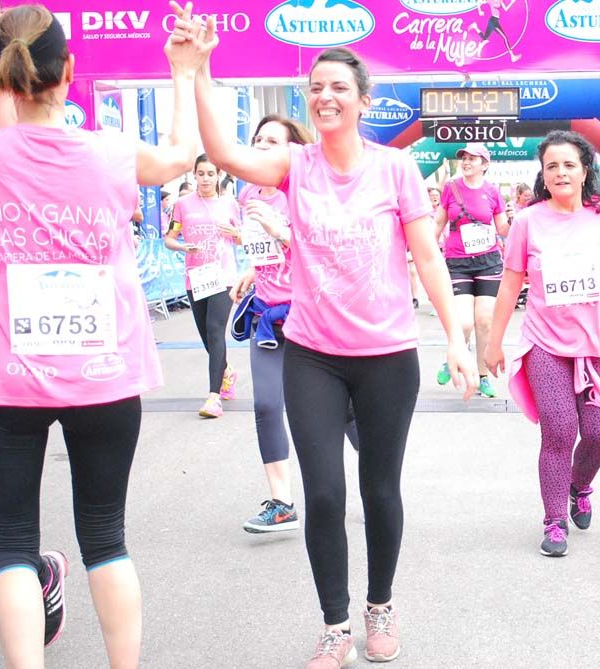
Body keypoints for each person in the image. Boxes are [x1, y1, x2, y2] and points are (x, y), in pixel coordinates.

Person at [193, 30, 477, 666]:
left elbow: (428, 256)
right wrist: (202, 66)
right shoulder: (296, 167)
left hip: (387, 357)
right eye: (316, 88)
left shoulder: (395, 168)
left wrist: (456, 339)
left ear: (363, 99)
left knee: (379, 489)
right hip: (312, 354)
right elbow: (222, 152)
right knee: (323, 493)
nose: (325, 97)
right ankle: (334, 625)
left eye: (338, 88)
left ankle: (380, 603)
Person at [0, 2, 205, 666]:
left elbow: (11, 134)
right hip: (105, 378)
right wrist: (180, 71)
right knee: (106, 537)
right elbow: (181, 155)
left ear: (1, 78)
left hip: (8, 380)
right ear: (70, 71)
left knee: (10, 542)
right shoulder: (112, 153)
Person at [485, 130, 600, 558]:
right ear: (543, 174)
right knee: (559, 430)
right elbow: (509, 285)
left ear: (585, 171)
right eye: (551, 166)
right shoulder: (528, 220)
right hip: (545, 343)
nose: (560, 172)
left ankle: (579, 486)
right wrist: (494, 342)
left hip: (597, 343)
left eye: (569, 165)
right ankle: (554, 520)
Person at [228, 113, 332, 534]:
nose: (262, 146)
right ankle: (282, 502)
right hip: (268, 317)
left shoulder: (307, 191)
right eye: (258, 139)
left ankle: (373, 478)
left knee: (340, 414)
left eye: (272, 141)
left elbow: (325, 251)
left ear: (293, 150)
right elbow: (266, 252)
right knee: (267, 405)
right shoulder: (247, 194)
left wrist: (281, 230)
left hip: (312, 316)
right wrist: (252, 270)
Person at [164, 153, 241, 418]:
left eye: (211, 174)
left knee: (215, 330)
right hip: (195, 277)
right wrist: (184, 246)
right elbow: (169, 238)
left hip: (223, 277)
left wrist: (236, 234)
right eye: (201, 174)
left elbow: (243, 239)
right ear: (194, 175)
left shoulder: (230, 204)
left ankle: (214, 397)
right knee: (207, 337)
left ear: (218, 175)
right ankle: (226, 370)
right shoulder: (183, 205)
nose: (206, 179)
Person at [433, 142, 510, 398]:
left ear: (484, 165)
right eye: (464, 158)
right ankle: (454, 355)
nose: (466, 162)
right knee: (464, 322)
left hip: (488, 262)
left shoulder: (493, 192)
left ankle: (482, 376)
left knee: (485, 322)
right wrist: (424, 251)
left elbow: (502, 228)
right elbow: (438, 223)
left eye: (472, 158)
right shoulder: (450, 188)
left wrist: (520, 227)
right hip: (457, 264)